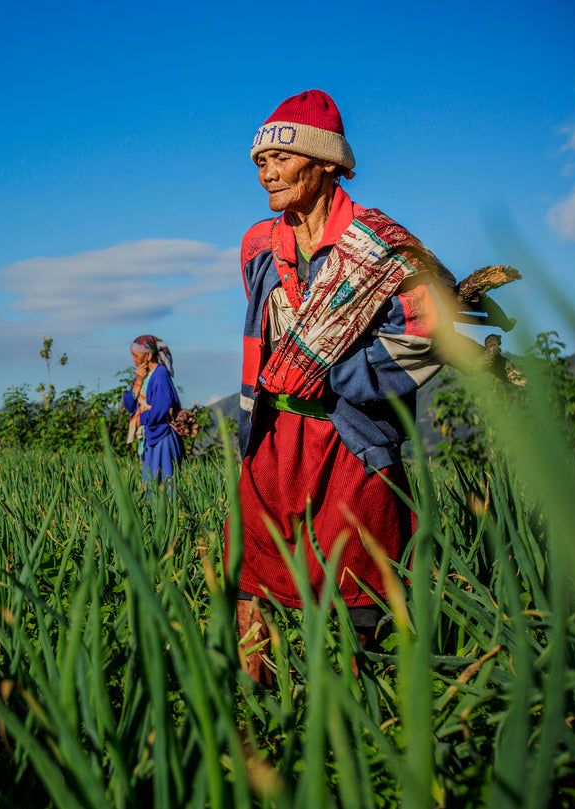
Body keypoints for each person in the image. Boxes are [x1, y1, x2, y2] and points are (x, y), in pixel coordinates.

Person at [227, 90, 455, 684]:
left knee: (362, 576)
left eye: (280, 160)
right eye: (260, 163)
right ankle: (257, 713)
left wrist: (333, 371)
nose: (266, 175)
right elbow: (263, 325)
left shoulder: (382, 246)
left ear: (327, 163)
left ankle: (368, 712)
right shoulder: (258, 246)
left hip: (349, 435)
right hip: (271, 437)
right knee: (255, 567)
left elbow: (426, 333)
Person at [123, 335, 184, 485]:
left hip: (162, 436)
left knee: (163, 485)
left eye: (136, 356)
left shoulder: (160, 375)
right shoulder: (144, 376)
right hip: (151, 437)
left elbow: (161, 409)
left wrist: (140, 419)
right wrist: (138, 382)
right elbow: (130, 405)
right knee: (151, 484)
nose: (133, 360)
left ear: (149, 356)